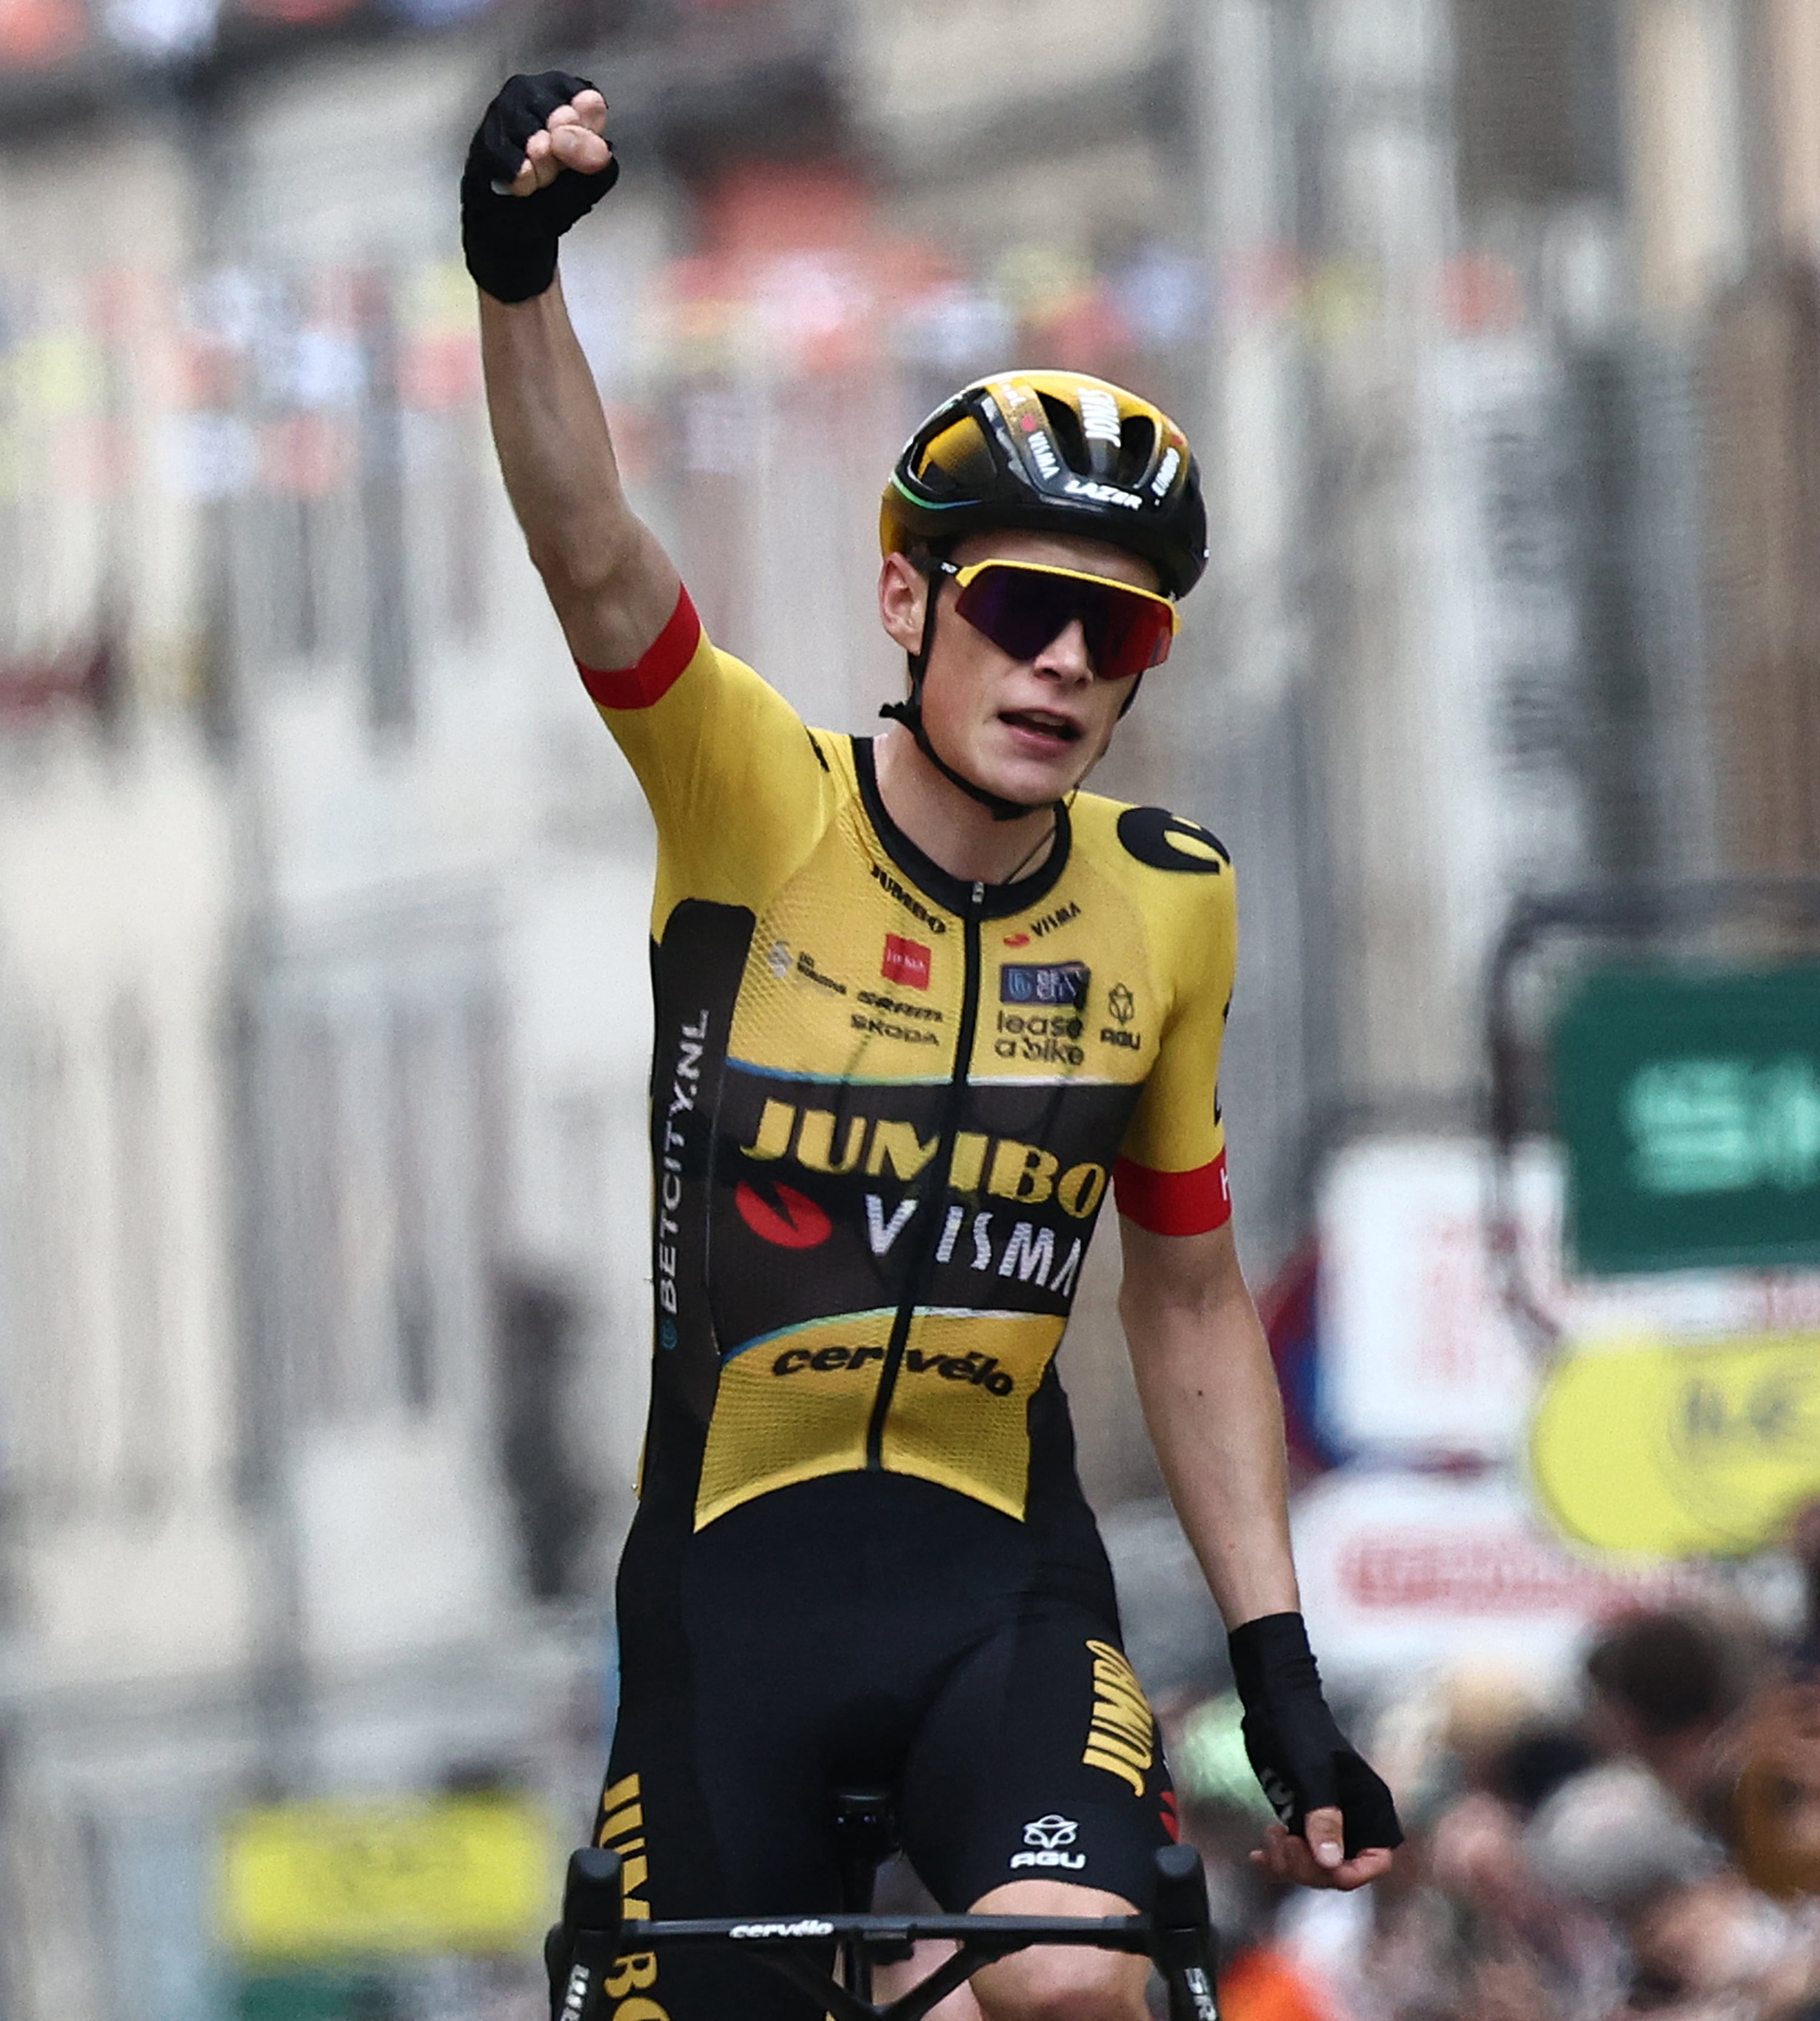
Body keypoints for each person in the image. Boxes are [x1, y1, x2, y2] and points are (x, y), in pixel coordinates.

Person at [460, 71, 1399, 2021]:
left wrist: (1280, 1669)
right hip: (733, 1592)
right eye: (1027, 610)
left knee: (1073, 1984)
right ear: (910, 601)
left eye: (1116, 639)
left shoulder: (1171, 901)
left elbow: (1198, 1301)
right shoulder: (752, 804)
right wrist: (520, 271)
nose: (1063, 665)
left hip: (1002, 1581)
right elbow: (595, 557)